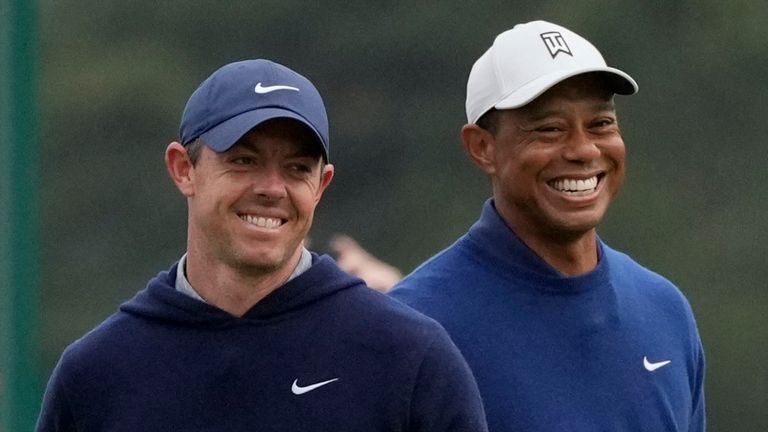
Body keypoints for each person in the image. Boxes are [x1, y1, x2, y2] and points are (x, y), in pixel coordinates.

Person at [36, 59, 488, 431]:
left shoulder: (408, 359)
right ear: (183, 169)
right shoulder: (98, 375)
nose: (272, 188)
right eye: (244, 160)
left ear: (321, 185)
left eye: (296, 168)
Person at [390, 21, 706, 431]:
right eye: (550, 129)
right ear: (482, 147)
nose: (583, 149)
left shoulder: (665, 310)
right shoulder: (413, 327)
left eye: (601, 124)